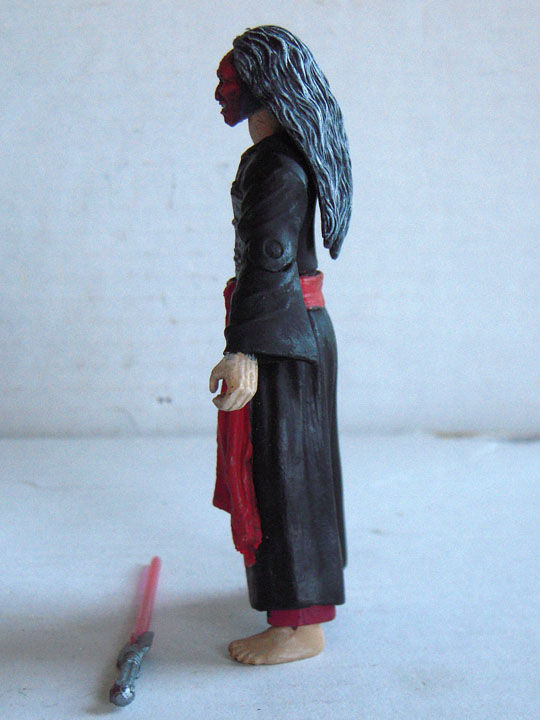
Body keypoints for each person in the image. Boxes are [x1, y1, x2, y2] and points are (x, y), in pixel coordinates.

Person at [209, 26, 352, 665]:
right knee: (292, 466)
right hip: (296, 329)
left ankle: (299, 624)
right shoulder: (284, 155)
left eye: (231, 81)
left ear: (261, 86)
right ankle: (298, 601)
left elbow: (270, 259)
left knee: (284, 472)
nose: (223, 94)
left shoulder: (277, 164)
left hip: (283, 336)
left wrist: (244, 347)